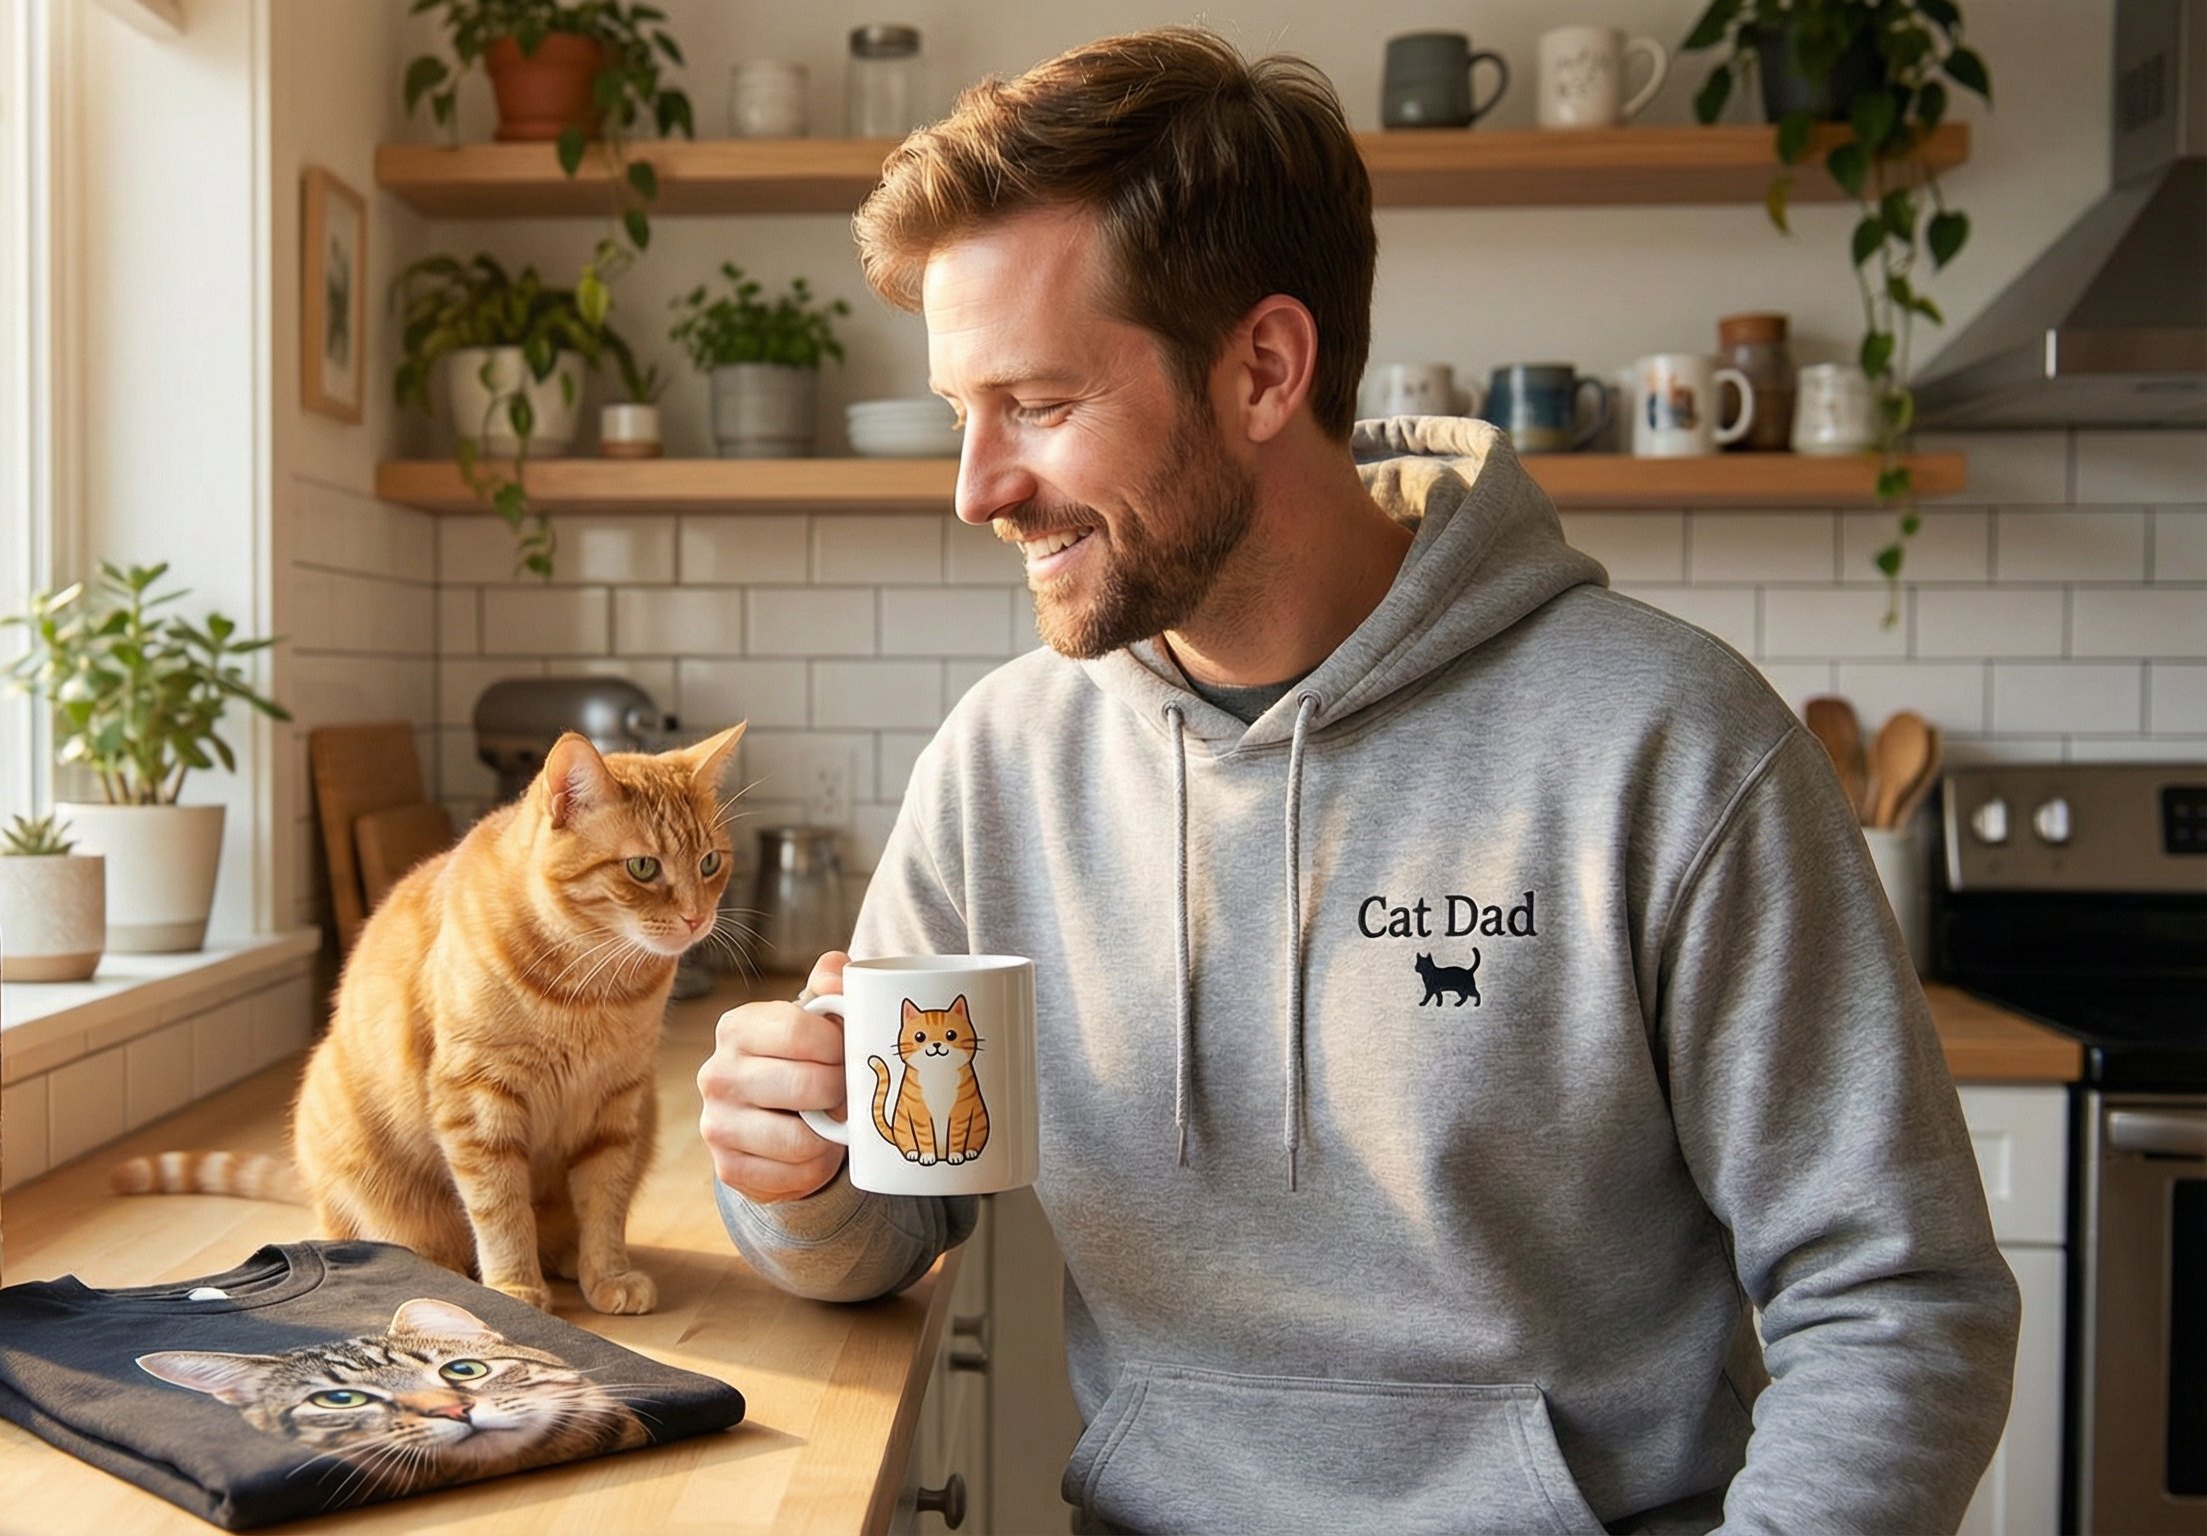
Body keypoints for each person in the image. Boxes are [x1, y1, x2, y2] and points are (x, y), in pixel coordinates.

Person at [695, 26, 2018, 1536]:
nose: (975, 489)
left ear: (1264, 368)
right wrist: (795, 1172)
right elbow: (888, 1218)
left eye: (1040, 406)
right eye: (960, 414)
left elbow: (1901, 1299)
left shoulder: (1669, 745)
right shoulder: (1007, 763)